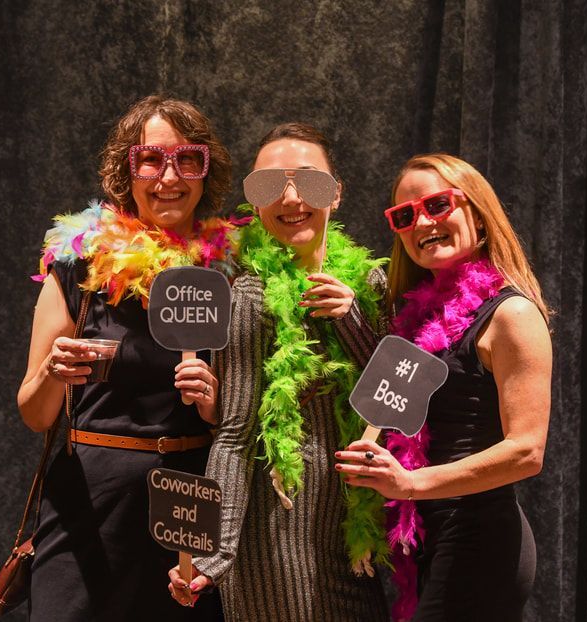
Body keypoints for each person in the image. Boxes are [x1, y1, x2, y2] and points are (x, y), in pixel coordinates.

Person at [18, 95, 235, 621]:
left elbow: (261, 408)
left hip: (192, 502)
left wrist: (216, 405)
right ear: (126, 170)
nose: (169, 176)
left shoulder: (234, 275)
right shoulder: (79, 268)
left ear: (207, 172)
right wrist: (52, 372)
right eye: (150, 159)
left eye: (187, 159)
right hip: (90, 505)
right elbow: (34, 413)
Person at [168, 123, 390, 621]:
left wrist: (352, 321)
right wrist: (214, 554)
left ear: (336, 193)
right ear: (254, 201)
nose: (291, 197)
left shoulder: (373, 282)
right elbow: (236, 435)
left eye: (308, 182)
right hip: (275, 532)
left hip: (355, 530)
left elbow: (399, 403)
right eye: (270, 185)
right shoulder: (246, 293)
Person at [335, 154, 552, 622]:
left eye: (437, 204)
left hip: (479, 538)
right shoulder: (419, 319)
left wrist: (409, 484)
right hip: (435, 537)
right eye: (405, 215)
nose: (423, 222)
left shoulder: (511, 315)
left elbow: (526, 452)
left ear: (476, 211)